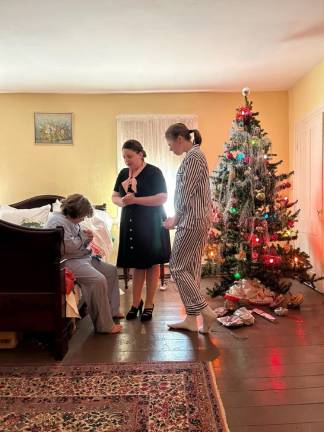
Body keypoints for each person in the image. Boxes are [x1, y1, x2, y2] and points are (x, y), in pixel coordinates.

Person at [163, 123, 216, 333]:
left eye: (170, 144)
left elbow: (186, 192)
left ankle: (205, 311)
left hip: (192, 220)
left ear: (179, 139)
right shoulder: (193, 156)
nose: (170, 149)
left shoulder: (194, 157)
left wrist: (175, 218)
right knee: (191, 268)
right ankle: (192, 319)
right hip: (195, 219)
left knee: (176, 265)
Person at [46, 194, 123, 334]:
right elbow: (68, 247)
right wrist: (83, 237)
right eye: (82, 216)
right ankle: (104, 325)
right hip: (67, 261)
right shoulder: (57, 222)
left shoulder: (72, 222)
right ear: (75, 212)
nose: (83, 219)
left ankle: (113, 311)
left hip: (81, 257)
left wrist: (88, 238)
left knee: (111, 271)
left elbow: (77, 242)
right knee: (98, 280)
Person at [112, 140, 171, 321]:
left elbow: (162, 198)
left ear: (140, 154)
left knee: (151, 264)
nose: (126, 160)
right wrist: (123, 202)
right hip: (130, 222)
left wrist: (136, 200)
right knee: (138, 265)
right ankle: (135, 303)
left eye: (129, 156)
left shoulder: (154, 172)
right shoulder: (123, 173)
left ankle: (150, 304)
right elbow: (115, 196)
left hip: (151, 222)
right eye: (124, 157)